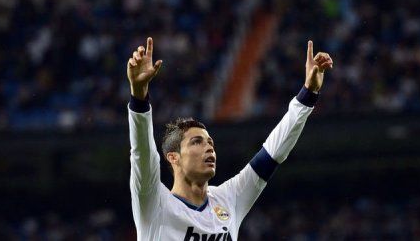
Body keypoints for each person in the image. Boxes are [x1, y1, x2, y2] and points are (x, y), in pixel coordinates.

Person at [127, 37, 333, 240]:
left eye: (210, 143)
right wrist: (138, 97)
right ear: (174, 157)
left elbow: (272, 153)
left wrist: (308, 94)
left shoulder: (228, 199)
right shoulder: (154, 202)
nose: (209, 148)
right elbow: (142, 153)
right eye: (196, 142)